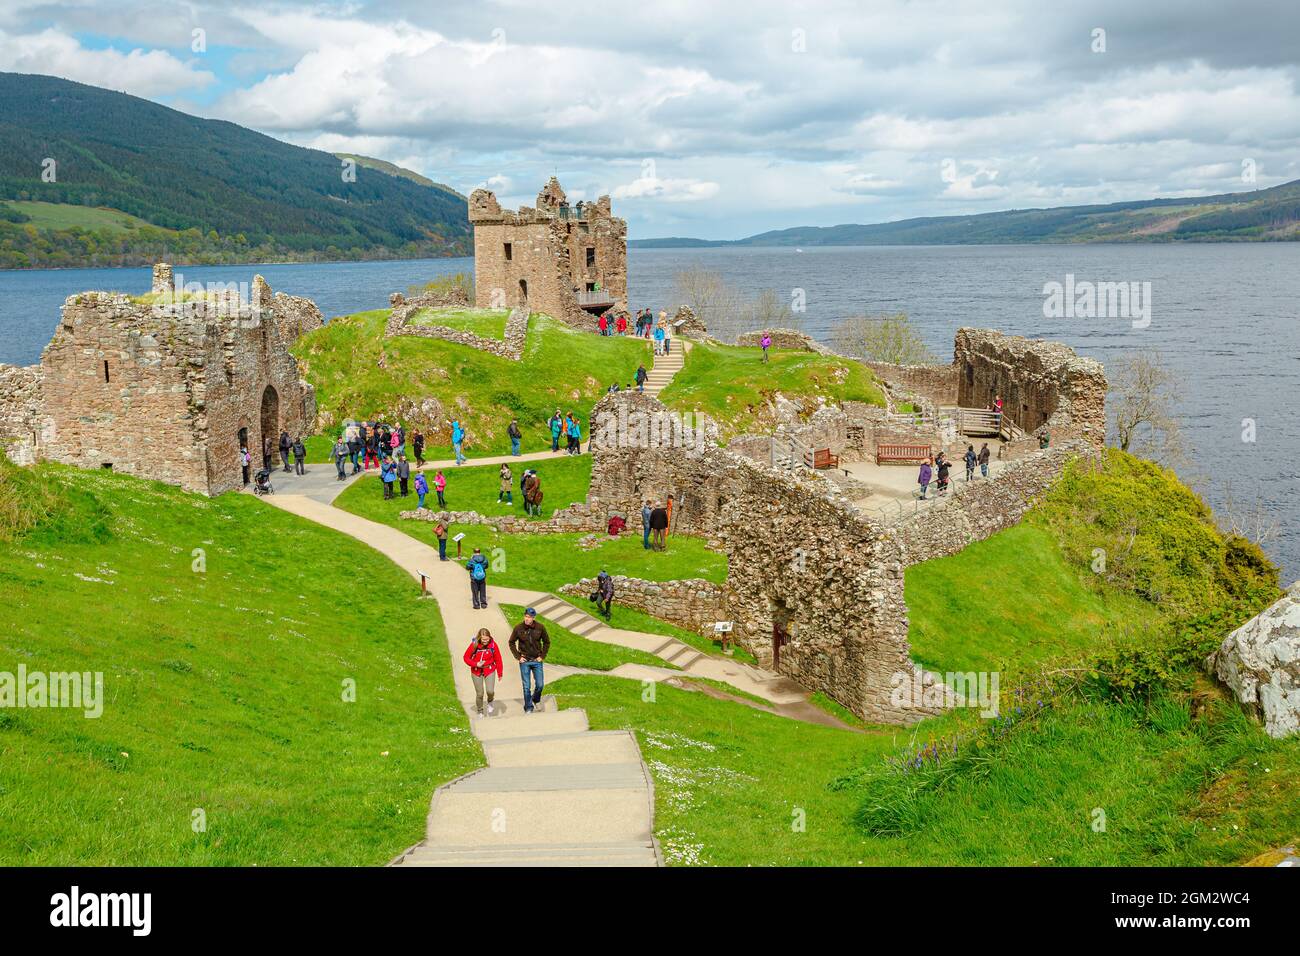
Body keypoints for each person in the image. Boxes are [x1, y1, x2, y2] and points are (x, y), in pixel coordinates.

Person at [508, 608, 550, 714]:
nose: (527, 619)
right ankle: (528, 707)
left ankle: (536, 699)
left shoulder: (540, 627)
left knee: (540, 685)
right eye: (526, 616)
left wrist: (542, 656)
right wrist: (518, 656)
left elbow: (547, 642)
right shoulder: (518, 628)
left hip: (537, 660)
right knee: (526, 686)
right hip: (525, 661)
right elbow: (511, 642)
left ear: (533, 618)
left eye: (529, 617)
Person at [464, 628, 504, 717]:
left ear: (489, 637)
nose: (485, 641)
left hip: (489, 669)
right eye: (483, 639)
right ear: (479, 638)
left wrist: (500, 673)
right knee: (480, 693)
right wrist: (476, 664)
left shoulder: (493, 645)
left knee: (490, 691)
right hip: (476, 671)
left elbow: (498, 659)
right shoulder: (474, 645)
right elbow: (466, 657)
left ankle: (490, 701)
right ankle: (480, 710)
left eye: (487, 639)